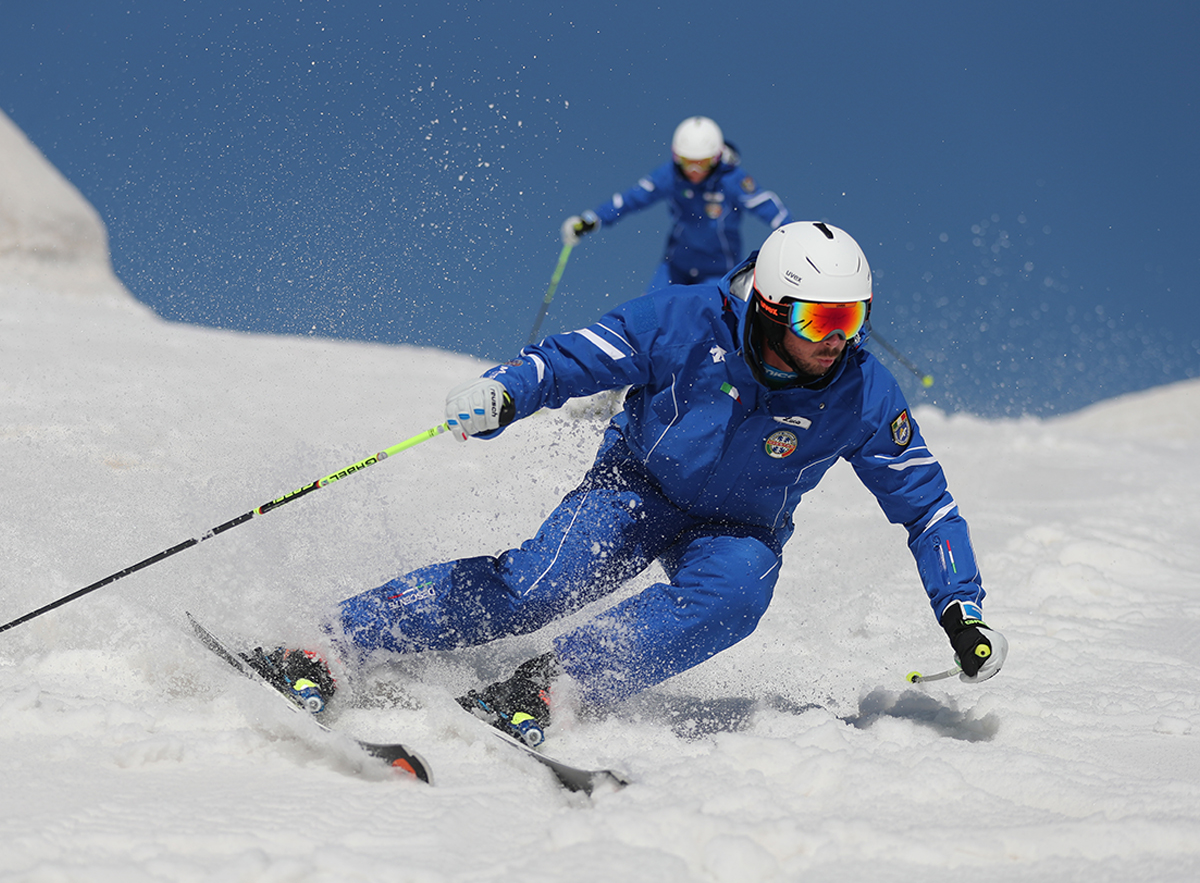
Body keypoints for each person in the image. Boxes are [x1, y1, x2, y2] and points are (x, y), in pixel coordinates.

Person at [322, 221, 1007, 745]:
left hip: (738, 528)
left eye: (851, 318)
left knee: (737, 594)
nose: (837, 340)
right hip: (637, 487)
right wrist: (506, 390)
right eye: (818, 320)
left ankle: (552, 683)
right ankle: (336, 637)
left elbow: (928, 508)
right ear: (772, 308)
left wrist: (962, 610)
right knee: (538, 587)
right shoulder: (687, 320)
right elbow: (574, 359)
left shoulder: (862, 393)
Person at [561, 116, 793, 292]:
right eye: (686, 162)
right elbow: (631, 199)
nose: (693, 172)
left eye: (702, 164)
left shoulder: (731, 180)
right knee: (649, 313)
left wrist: (793, 235)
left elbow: (766, 205)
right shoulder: (670, 176)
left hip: (718, 270)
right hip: (676, 265)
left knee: (709, 321)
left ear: (715, 158)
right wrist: (592, 219)